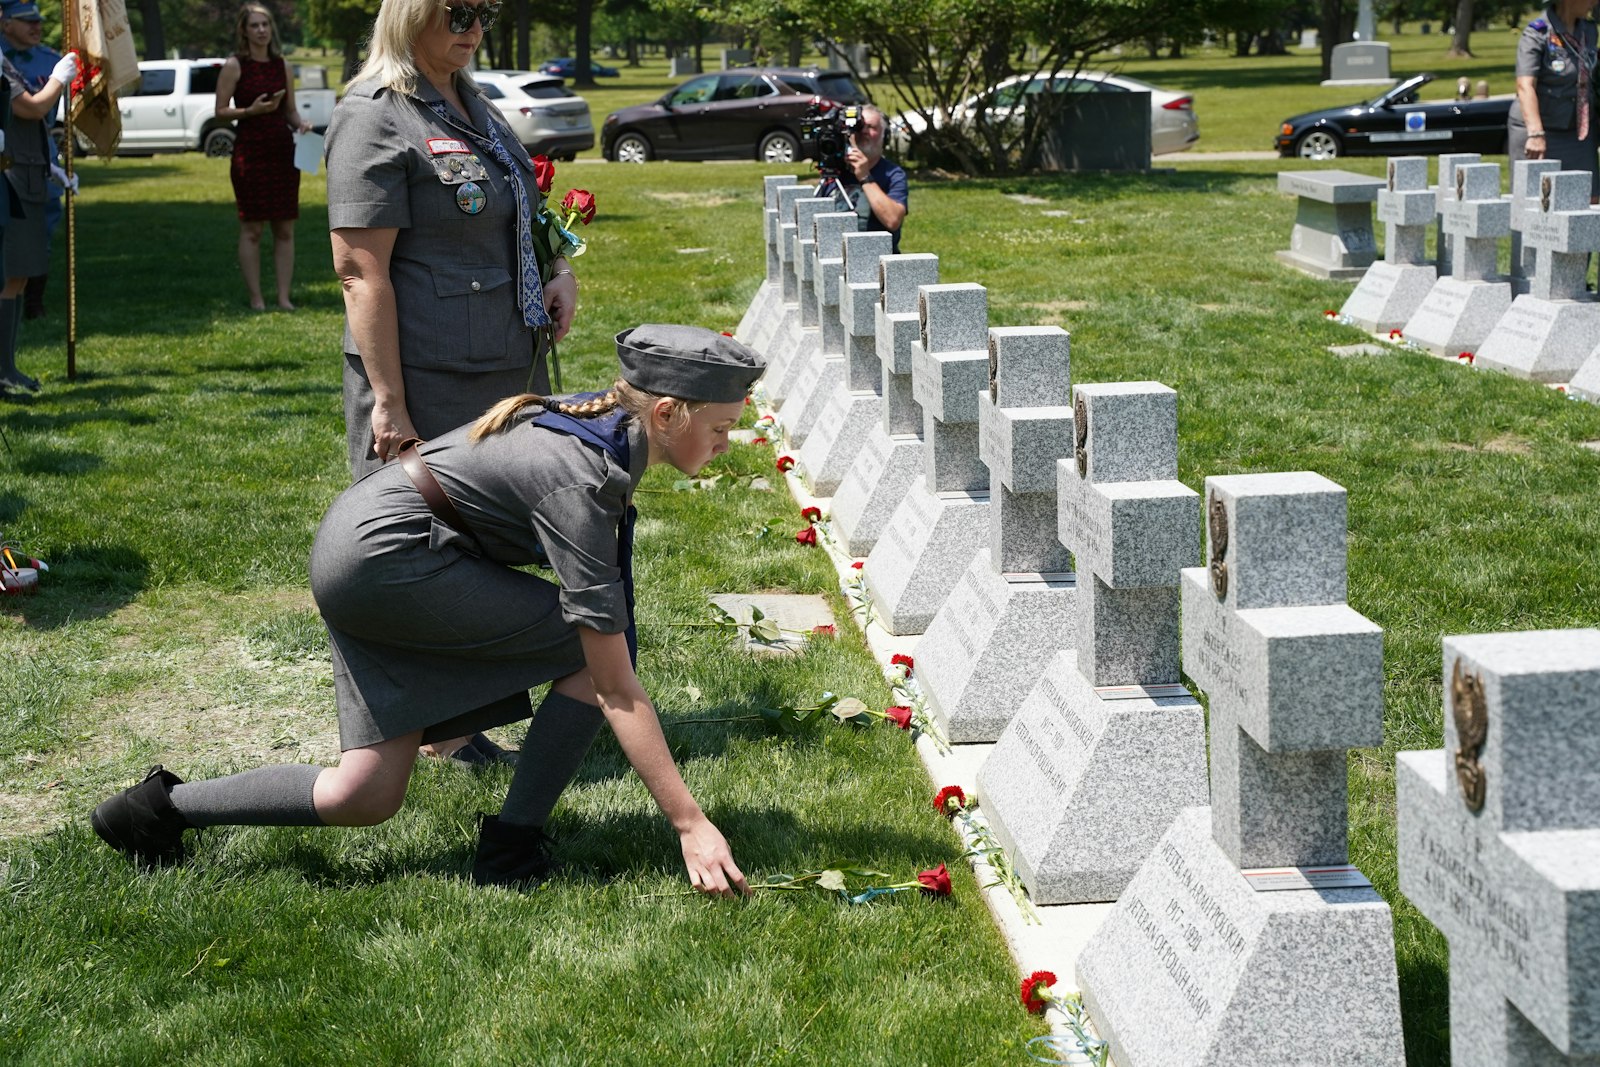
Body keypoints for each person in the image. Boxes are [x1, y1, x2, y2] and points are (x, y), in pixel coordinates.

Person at [91, 325, 760, 899]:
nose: (728, 442)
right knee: (587, 652)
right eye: (722, 427)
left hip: (369, 549)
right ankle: (510, 849)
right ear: (667, 413)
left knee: (366, 795)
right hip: (389, 559)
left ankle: (153, 810)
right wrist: (689, 823)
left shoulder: (599, 426)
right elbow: (614, 684)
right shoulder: (579, 481)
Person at [325, 0, 579, 766]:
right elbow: (359, 270)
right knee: (415, 550)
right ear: (410, 14)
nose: (472, 26)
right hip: (425, 377)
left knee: (477, 549)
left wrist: (559, 268)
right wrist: (389, 401)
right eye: (455, 11)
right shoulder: (374, 115)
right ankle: (402, 743)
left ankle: (460, 727)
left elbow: (517, 210)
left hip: (500, 369)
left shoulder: (474, 101)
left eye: (484, 11)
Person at [214, 4, 310, 312]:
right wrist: (249, 111)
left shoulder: (281, 64)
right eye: (255, 25)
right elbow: (220, 112)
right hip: (250, 152)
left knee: (285, 228)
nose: (261, 30)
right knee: (252, 228)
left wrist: (301, 124)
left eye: (265, 24)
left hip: (282, 150)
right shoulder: (235, 65)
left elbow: (290, 110)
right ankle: (257, 298)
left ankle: (283, 298)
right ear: (244, 30)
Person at [0, 13, 72, 395]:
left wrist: (51, 167)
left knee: (17, 275)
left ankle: (6, 367)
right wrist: (59, 78)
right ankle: (3, 370)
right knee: (10, 276)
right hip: (12, 178)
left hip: (25, 171)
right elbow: (29, 108)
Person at [0, 0, 61, 321]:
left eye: (38, 20)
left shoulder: (48, 59)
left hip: (38, 154)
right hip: (9, 162)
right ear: (5, 23)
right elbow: (32, 107)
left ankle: (33, 302)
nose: (36, 26)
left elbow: (45, 119)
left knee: (41, 230)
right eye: (25, 21)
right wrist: (61, 79)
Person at [1508, 0, 1599, 197]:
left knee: (1588, 200)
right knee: (1533, 201)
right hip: (1540, 131)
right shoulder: (1537, 33)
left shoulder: (1589, 30)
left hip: (1579, 132)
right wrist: (1535, 134)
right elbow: (1525, 86)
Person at [843, 104, 907, 253]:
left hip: (878, 258)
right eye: (859, 127)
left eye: (871, 127)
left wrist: (864, 176)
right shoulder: (835, 171)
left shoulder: (893, 174)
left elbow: (893, 220)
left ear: (885, 135)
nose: (864, 131)